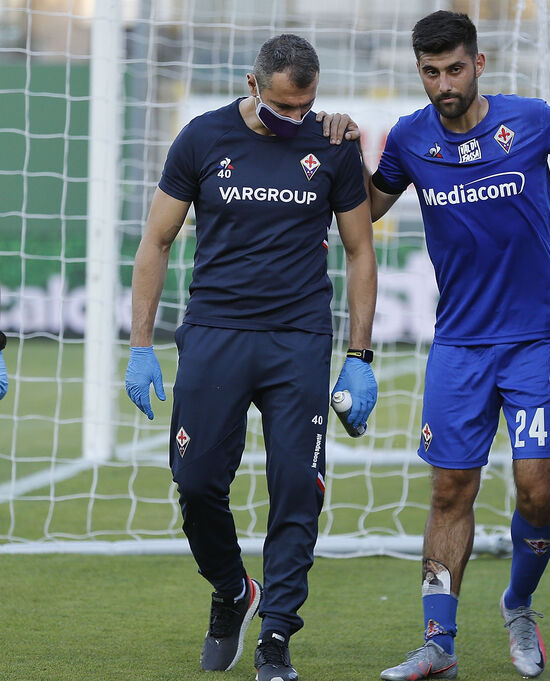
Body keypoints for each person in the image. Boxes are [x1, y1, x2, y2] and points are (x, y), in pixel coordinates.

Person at [321, 10, 550, 680]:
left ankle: (518, 603)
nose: (442, 83)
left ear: (478, 64)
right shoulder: (408, 138)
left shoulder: (531, 119)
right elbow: (365, 209)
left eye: (453, 69)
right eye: (429, 71)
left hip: (538, 342)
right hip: (458, 343)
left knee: (536, 492)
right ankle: (438, 641)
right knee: (450, 489)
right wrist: (340, 150)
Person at [123, 34, 378, 681]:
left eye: (307, 106)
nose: (296, 119)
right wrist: (141, 344)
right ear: (251, 84)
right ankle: (235, 589)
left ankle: (276, 638)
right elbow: (155, 240)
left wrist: (360, 355)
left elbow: (358, 250)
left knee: (298, 488)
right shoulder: (201, 139)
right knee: (198, 481)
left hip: (297, 340)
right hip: (214, 332)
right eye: (284, 107)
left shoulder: (335, 143)